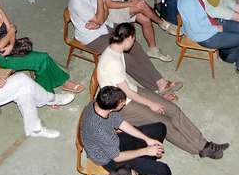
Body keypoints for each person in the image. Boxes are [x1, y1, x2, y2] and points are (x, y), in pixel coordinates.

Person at [97, 23, 229, 159]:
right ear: (129, 38)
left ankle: (204, 144)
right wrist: (151, 104)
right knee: (165, 122)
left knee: (173, 110)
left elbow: (126, 87)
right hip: (124, 105)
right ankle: (198, 150)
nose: (134, 41)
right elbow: (127, 94)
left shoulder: (115, 50)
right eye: (134, 38)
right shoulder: (113, 62)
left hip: (132, 91)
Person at [69, 0, 183, 93]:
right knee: (124, 56)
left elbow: (104, 14)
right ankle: (157, 87)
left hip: (105, 26)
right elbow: (100, 17)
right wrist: (100, 3)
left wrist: (100, 18)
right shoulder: (79, 1)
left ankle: (160, 80)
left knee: (133, 44)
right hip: (92, 38)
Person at [0, 0, 84, 93]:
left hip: (13, 47)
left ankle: (54, 87)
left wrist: (11, 44)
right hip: (3, 57)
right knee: (42, 60)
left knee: (43, 59)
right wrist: (11, 32)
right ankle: (51, 90)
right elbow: (0, 45)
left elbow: (11, 28)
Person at [81, 86, 172, 175]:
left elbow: (121, 123)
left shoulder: (100, 103)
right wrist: (146, 151)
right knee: (163, 171)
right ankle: (141, 164)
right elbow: (117, 157)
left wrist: (147, 139)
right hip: (110, 159)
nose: (124, 104)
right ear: (113, 107)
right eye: (122, 104)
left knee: (159, 128)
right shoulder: (99, 130)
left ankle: (142, 163)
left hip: (113, 142)